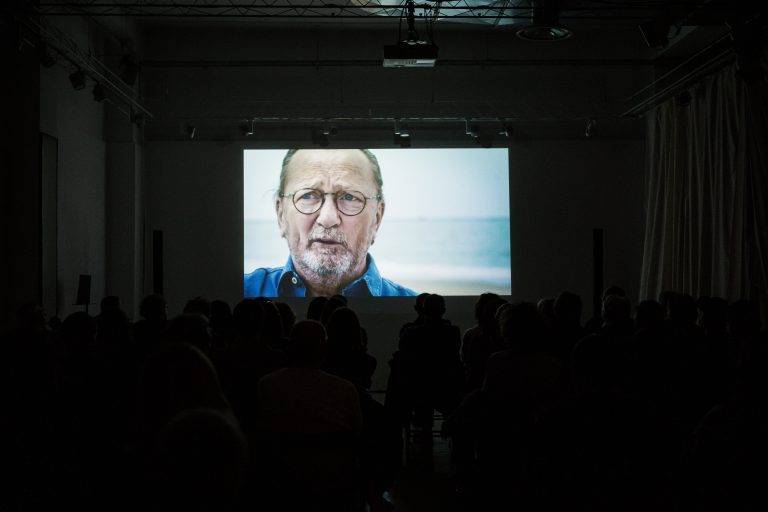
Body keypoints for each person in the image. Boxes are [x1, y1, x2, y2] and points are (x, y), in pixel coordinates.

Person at [243, 149, 416, 297]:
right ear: (281, 215)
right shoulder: (241, 291)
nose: (328, 219)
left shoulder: (416, 310)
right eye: (308, 195)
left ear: (376, 218)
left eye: (349, 197)